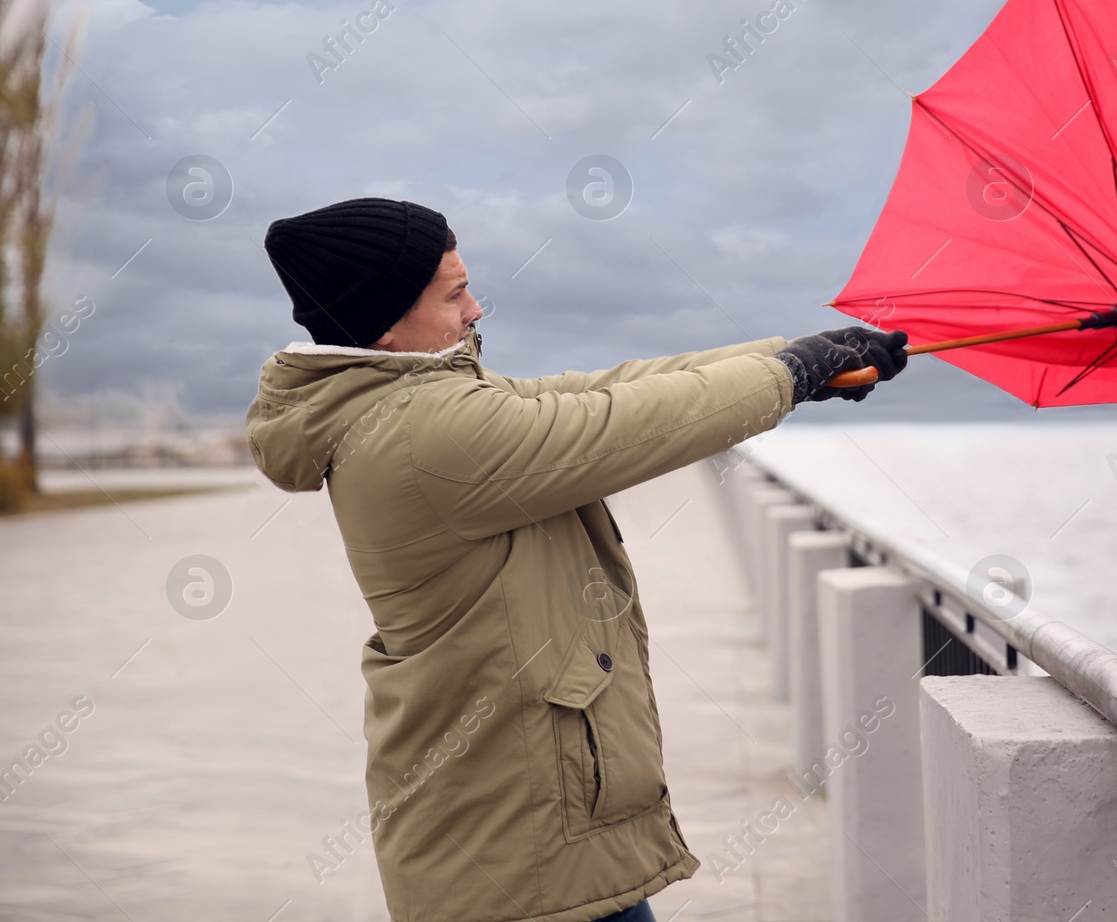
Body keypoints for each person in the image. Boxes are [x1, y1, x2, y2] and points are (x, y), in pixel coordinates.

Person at [245, 197, 907, 922]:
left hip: (524, 827)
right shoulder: (426, 431)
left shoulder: (419, 404)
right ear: (385, 323)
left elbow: (607, 386)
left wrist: (796, 357)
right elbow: (622, 424)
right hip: (515, 850)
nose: (474, 309)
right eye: (452, 292)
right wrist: (791, 375)